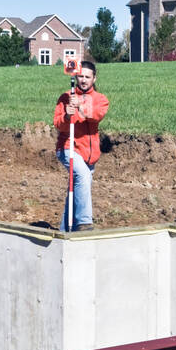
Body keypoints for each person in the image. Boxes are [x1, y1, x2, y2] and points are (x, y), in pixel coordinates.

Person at [53, 59, 109, 231]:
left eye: (87, 77)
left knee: (77, 192)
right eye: (80, 76)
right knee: (83, 176)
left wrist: (81, 106)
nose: (83, 80)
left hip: (90, 154)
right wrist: (67, 117)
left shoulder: (100, 99)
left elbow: (97, 115)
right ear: (75, 77)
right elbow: (58, 123)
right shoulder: (65, 97)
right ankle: (84, 222)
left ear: (94, 79)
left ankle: (66, 231)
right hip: (68, 148)